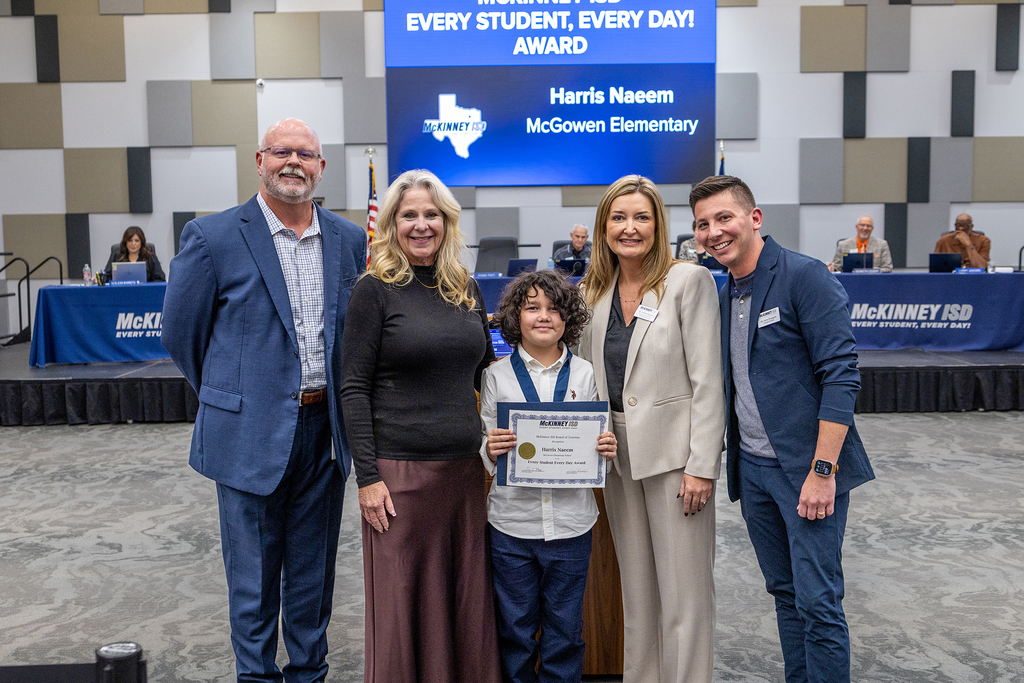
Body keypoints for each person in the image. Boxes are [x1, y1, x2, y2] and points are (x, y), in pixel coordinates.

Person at [161, 118, 367, 682]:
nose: (293, 161)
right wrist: (231, 394)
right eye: (281, 151)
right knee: (252, 580)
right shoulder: (213, 236)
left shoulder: (349, 240)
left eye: (305, 154)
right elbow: (181, 333)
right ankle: (255, 677)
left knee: (313, 575)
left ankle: (309, 673)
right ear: (260, 160)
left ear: (321, 167)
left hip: (324, 432)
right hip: (246, 433)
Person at [691, 175, 875, 683]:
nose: (713, 232)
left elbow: (841, 377)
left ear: (754, 218)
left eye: (723, 218)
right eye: (702, 224)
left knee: (818, 602)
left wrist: (823, 471)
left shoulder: (804, 276)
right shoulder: (725, 293)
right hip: (754, 472)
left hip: (807, 471)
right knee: (786, 594)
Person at [340, 169, 501, 683]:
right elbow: (353, 388)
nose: (421, 224)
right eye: (409, 214)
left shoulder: (465, 289)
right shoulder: (373, 291)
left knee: (463, 603)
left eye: (431, 214)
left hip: (464, 474)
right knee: (403, 607)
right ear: (391, 223)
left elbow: (486, 374)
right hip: (400, 480)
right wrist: (368, 478)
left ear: (447, 221)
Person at [577, 175, 725, 683]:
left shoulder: (689, 281)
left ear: (658, 225)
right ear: (604, 226)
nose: (630, 228)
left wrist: (702, 466)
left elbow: (708, 382)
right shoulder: (593, 291)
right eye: (618, 217)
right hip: (617, 457)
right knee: (637, 597)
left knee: (684, 598)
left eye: (642, 217)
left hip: (677, 461)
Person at [480, 269, 618, 683]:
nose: (544, 316)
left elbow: (601, 449)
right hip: (511, 526)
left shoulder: (586, 374)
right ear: (515, 317)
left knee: (565, 632)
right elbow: (484, 445)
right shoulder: (495, 376)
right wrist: (489, 448)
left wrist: (605, 451)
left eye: (555, 309)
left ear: (568, 319)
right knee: (515, 630)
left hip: (571, 526)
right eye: (532, 307)